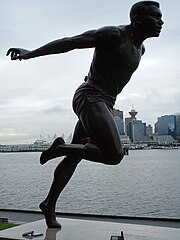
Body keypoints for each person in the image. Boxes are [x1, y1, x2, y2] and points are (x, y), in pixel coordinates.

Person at [7, 1, 163, 228]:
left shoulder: (141, 49)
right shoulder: (114, 35)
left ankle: (49, 204)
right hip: (90, 96)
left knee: (74, 157)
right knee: (114, 155)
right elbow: (70, 42)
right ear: (137, 19)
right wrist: (30, 54)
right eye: (155, 17)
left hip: (104, 103)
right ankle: (58, 148)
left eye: (161, 17)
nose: (161, 22)